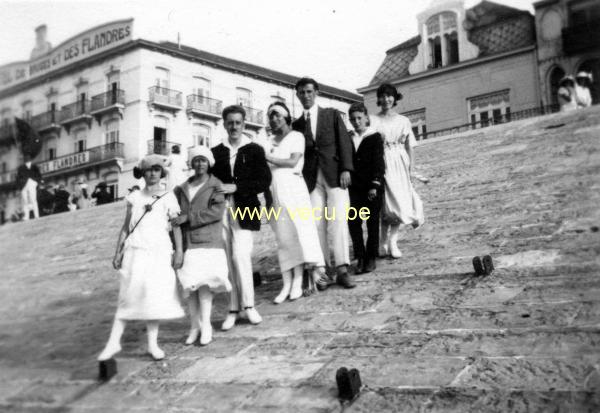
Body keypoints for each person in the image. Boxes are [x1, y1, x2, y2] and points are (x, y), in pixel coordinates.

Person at [97, 154, 185, 361]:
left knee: (153, 297)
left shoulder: (169, 197)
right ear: (143, 173)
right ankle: (113, 343)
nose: (153, 173)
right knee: (127, 295)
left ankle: (152, 344)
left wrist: (179, 251)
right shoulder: (134, 198)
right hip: (135, 251)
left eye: (156, 169)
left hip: (159, 250)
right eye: (149, 170)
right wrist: (118, 251)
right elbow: (126, 227)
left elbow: (176, 226)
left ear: (161, 172)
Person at [291, 77, 355, 290]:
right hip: (311, 179)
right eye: (301, 92)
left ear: (316, 92)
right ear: (298, 95)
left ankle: (342, 269)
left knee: (338, 220)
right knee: (316, 223)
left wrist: (346, 168)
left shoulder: (331, 114)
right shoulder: (297, 124)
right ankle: (322, 270)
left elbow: (344, 141)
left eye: (309, 91)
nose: (306, 96)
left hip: (335, 174)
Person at [211, 105, 271, 330]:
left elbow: (264, 180)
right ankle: (233, 308)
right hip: (221, 212)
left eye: (238, 122)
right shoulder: (216, 152)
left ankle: (249, 305)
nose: (234, 126)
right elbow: (210, 181)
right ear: (224, 124)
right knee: (227, 260)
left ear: (244, 124)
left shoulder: (254, 149)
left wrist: (236, 187)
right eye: (230, 122)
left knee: (240, 256)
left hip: (246, 209)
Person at [264, 102, 326, 303]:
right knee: (283, 237)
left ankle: (300, 281)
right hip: (275, 190)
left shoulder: (296, 136)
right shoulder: (269, 140)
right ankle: (286, 283)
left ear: (286, 117)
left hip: (293, 188)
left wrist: (268, 157)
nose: (274, 120)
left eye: (278, 116)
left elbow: (292, 161)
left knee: (300, 231)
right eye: (271, 117)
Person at [171, 146, 231, 346]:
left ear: (209, 163)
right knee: (190, 286)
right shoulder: (180, 189)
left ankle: (206, 326)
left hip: (208, 242)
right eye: (196, 160)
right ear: (191, 163)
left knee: (205, 285)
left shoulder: (215, 185)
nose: (199, 164)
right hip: (188, 244)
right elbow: (173, 215)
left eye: (203, 160)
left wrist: (189, 217)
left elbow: (216, 212)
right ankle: (194, 326)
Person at [374, 83, 424, 259]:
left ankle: (393, 241)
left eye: (390, 96)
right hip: (381, 162)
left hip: (400, 163)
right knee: (384, 205)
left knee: (400, 204)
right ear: (378, 99)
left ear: (394, 98)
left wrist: (411, 169)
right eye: (383, 96)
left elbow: (410, 146)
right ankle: (382, 241)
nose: (386, 99)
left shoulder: (403, 121)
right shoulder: (373, 120)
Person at [347, 103, 385, 274]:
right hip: (354, 188)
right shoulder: (348, 137)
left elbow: (378, 162)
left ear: (366, 118)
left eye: (359, 118)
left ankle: (371, 257)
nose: (356, 122)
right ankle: (360, 256)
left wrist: (375, 184)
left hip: (371, 188)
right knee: (354, 223)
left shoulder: (375, 137)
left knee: (371, 222)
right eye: (353, 119)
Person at [16, 155, 42, 220]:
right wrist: (20, 186)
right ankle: (27, 216)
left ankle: (36, 215)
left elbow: (39, 175)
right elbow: (18, 178)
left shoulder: (34, 166)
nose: (27, 160)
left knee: (33, 200)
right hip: (24, 185)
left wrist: (36, 183)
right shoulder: (21, 168)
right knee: (26, 201)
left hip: (31, 183)